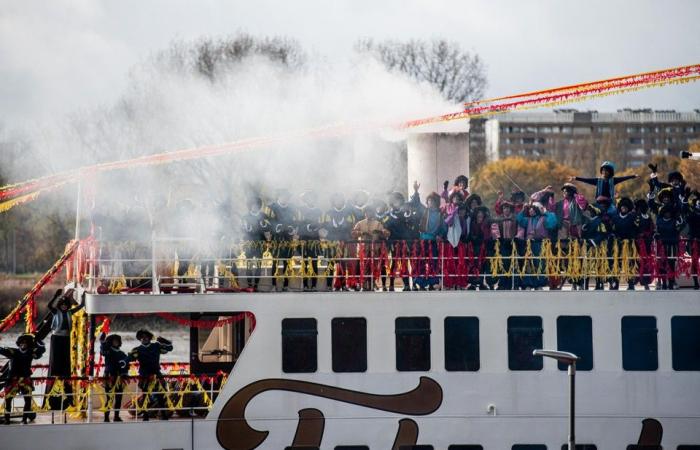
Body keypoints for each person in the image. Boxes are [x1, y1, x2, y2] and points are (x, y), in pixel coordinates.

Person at [1, 333, 45, 424]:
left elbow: (42, 349)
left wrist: (38, 340)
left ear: (28, 344)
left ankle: (24, 419)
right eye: (21, 343)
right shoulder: (13, 352)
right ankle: (7, 419)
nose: (22, 344)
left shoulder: (30, 353)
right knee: (8, 399)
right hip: (13, 379)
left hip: (25, 379)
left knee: (28, 399)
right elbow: (1, 350)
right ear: (19, 344)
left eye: (25, 343)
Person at [129, 329, 173, 421]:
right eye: (142, 337)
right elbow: (129, 358)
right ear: (140, 339)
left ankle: (163, 414)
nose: (144, 338)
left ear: (149, 338)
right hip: (144, 376)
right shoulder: (137, 350)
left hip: (156, 374)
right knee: (145, 396)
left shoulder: (156, 346)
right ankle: (145, 416)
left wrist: (164, 340)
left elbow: (170, 348)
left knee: (161, 395)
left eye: (146, 337)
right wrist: (123, 362)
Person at [516, 202, 557, 290]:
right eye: (530, 209)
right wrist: (523, 209)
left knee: (540, 264)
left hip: (540, 244)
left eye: (533, 209)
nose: (530, 210)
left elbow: (552, 224)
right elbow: (519, 219)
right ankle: (528, 284)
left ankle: (539, 284)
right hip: (529, 244)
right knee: (529, 264)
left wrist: (546, 212)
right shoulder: (528, 220)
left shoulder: (544, 218)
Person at [412, 183, 445, 290]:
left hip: (434, 242)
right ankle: (421, 284)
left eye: (433, 201)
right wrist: (416, 191)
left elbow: (443, 228)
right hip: (423, 241)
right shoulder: (424, 211)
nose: (430, 203)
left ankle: (431, 284)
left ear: (437, 202)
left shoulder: (440, 214)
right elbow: (416, 203)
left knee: (433, 263)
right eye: (429, 201)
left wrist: (440, 235)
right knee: (420, 263)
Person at [351, 204, 390, 291]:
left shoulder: (378, 223)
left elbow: (386, 234)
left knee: (375, 266)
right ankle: (364, 285)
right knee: (364, 267)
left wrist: (381, 232)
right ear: (365, 213)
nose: (368, 214)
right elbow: (353, 233)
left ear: (373, 213)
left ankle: (373, 284)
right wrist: (361, 233)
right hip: (363, 250)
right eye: (367, 212)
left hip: (375, 250)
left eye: (370, 212)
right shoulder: (360, 223)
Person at [323, 192, 354, 291]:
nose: (339, 202)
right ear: (333, 201)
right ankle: (328, 285)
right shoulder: (328, 213)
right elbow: (325, 226)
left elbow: (350, 226)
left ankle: (343, 285)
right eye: (336, 200)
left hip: (344, 241)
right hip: (331, 242)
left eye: (341, 200)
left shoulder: (348, 213)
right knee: (330, 264)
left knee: (344, 263)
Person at [240, 196, 272, 292]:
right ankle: (250, 285)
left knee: (258, 265)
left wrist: (264, 229)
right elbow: (241, 230)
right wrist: (246, 231)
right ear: (250, 206)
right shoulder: (245, 217)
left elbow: (269, 229)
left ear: (259, 206)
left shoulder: (264, 216)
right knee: (249, 265)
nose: (255, 206)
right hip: (248, 244)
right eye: (253, 205)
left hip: (260, 244)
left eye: (257, 205)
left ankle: (256, 286)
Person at [569, 161, 638, 201]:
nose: (604, 172)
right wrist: (575, 178)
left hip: (609, 202)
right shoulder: (598, 181)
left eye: (606, 171)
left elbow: (623, 178)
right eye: (603, 170)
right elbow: (586, 180)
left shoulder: (613, 180)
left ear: (610, 172)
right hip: (599, 202)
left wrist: (633, 176)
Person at [99, 333, 129, 422]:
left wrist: (125, 373)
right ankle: (106, 417)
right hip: (109, 377)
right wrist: (102, 342)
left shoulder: (122, 353)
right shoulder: (108, 351)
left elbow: (126, 365)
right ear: (111, 342)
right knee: (109, 399)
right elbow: (103, 350)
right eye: (114, 341)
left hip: (119, 378)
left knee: (118, 399)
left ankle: (116, 416)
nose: (116, 342)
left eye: (117, 341)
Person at [491, 200, 519, 289]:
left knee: (513, 263)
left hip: (513, 244)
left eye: (507, 208)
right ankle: (502, 284)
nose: (506, 210)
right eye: (504, 208)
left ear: (510, 209)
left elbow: (519, 229)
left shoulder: (515, 218)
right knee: (503, 263)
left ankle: (512, 284)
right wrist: (498, 239)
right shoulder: (499, 218)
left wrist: (515, 239)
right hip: (503, 243)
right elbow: (494, 229)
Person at [298, 190, 323, 291]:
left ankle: (313, 285)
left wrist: (317, 227)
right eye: (308, 197)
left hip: (315, 240)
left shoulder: (319, 211)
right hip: (304, 239)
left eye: (312, 197)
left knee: (314, 262)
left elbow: (322, 224)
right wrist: (307, 227)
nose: (310, 199)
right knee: (304, 262)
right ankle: (304, 285)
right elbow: (298, 224)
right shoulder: (301, 210)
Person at [655, 205, 684, 290]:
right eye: (666, 212)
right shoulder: (659, 221)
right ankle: (664, 283)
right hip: (662, 246)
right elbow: (656, 232)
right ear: (663, 213)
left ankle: (671, 283)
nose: (668, 214)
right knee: (662, 265)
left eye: (669, 213)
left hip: (672, 246)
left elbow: (681, 226)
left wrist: (679, 217)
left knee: (671, 264)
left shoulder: (675, 221)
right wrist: (656, 236)